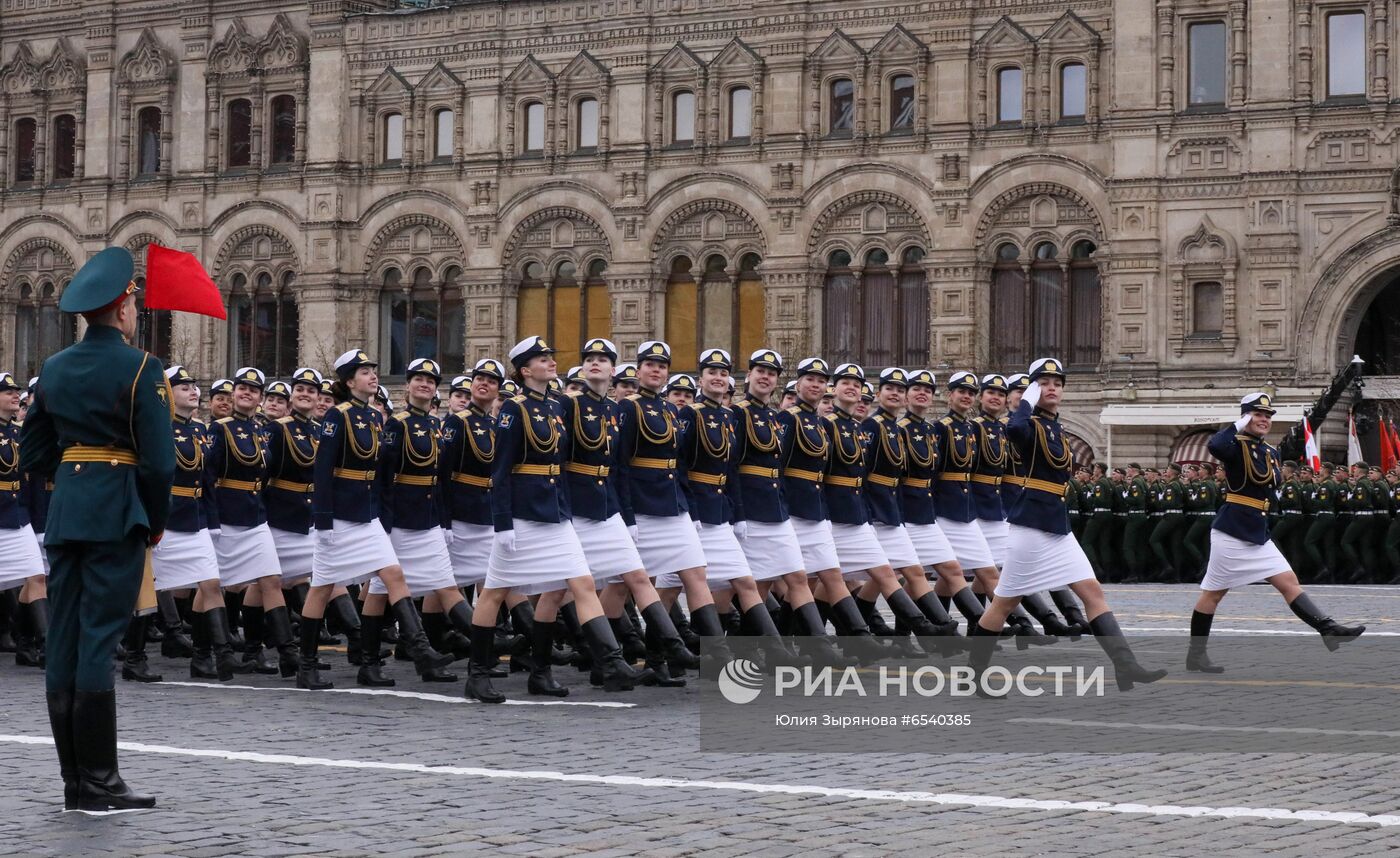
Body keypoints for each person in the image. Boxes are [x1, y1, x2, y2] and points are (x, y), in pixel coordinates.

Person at [20, 246, 176, 811]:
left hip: (68, 514)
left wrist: (76, 470)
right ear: (123, 307)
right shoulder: (142, 368)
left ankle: (74, 780)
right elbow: (160, 463)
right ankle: (103, 781)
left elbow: (33, 450)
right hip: (117, 512)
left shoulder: (54, 368)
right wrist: (154, 522)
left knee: (63, 636)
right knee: (98, 639)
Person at [966, 358, 1166, 694]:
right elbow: (1014, 431)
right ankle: (974, 675)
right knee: (1004, 603)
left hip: (1056, 525)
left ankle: (1126, 666)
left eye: (1057, 382)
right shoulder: (1026, 423)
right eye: (1044, 383)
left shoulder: (1056, 427)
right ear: (1032, 389)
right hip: (1030, 525)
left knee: (1093, 592)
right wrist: (1025, 401)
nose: (1053, 387)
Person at [464, 337, 644, 703]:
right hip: (523, 514)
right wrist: (502, 524)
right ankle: (477, 674)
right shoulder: (515, 409)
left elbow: (559, 467)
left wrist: (563, 509)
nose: (550, 362)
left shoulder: (555, 407)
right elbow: (500, 470)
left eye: (550, 357)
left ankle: (603, 663)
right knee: (496, 591)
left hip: (555, 514)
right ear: (526, 370)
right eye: (542, 359)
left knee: (581, 583)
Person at [296, 349, 453, 690]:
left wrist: (381, 516)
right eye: (364, 372)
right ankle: (305, 665)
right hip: (339, 515)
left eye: (372, 370)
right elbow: (322, 470)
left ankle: (417, 651)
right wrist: (322, 521)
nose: (372, 375)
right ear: (350, 381)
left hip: (366, 516)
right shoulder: (337, 416)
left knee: (394, 575)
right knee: (322, 587)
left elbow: (379, 473)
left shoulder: (373, 418)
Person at [1187, 393, 1365, 672]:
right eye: (1258, 414)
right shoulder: (1235, 446)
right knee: (1214, 595)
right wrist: (1239, 424)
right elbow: (1215, 445)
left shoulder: (1270, 452)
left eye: (1268, 416)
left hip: (1257, 530)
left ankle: (1327, 629)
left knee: (1288, 581)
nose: (1265, 420)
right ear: (1246, 416)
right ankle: (1196, 656)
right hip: (1232, 531)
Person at [563, 338, 697, 690]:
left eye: (603, 359)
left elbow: (618, 467)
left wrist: (625, 515)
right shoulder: (573, 406)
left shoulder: (618, 409)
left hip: (612, 507)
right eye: (589, 358)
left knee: (633, 579)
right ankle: (547, 665)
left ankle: (663, 650)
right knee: (559, 592)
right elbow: (569, 463)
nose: (596, 364)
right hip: (580, 508)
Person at [129, 366, 220, 684]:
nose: (193, 391)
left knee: (210, 584)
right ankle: (134, 657)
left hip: (193, 519)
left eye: (194, 386)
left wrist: (212, 520)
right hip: (162, 518)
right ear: (167, 393)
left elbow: (206, 480)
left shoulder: (199, 428)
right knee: (147, 592)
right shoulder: (156, 428)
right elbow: (145, 475)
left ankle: (205, 656)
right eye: (184, 387)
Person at [206, 368, 298, 678]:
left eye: (254, 390)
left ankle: (287, 653)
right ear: (233, 394)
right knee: (213, 585)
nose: (248, 393)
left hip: (256, 516)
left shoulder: (260, 431)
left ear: (260, 399)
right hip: (227, 515)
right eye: (242, 387)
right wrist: (211, 520)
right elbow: (207, 478)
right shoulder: (218, 430)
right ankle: (202, 653)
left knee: (270, 580)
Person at [1, 371, 48, 670]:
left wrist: (35, 522)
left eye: (16, 391)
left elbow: (30, 481)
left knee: (37, 576)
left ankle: (45, 644)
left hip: (18, 518)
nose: (15, 395)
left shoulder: (19, 433)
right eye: (7, 392)